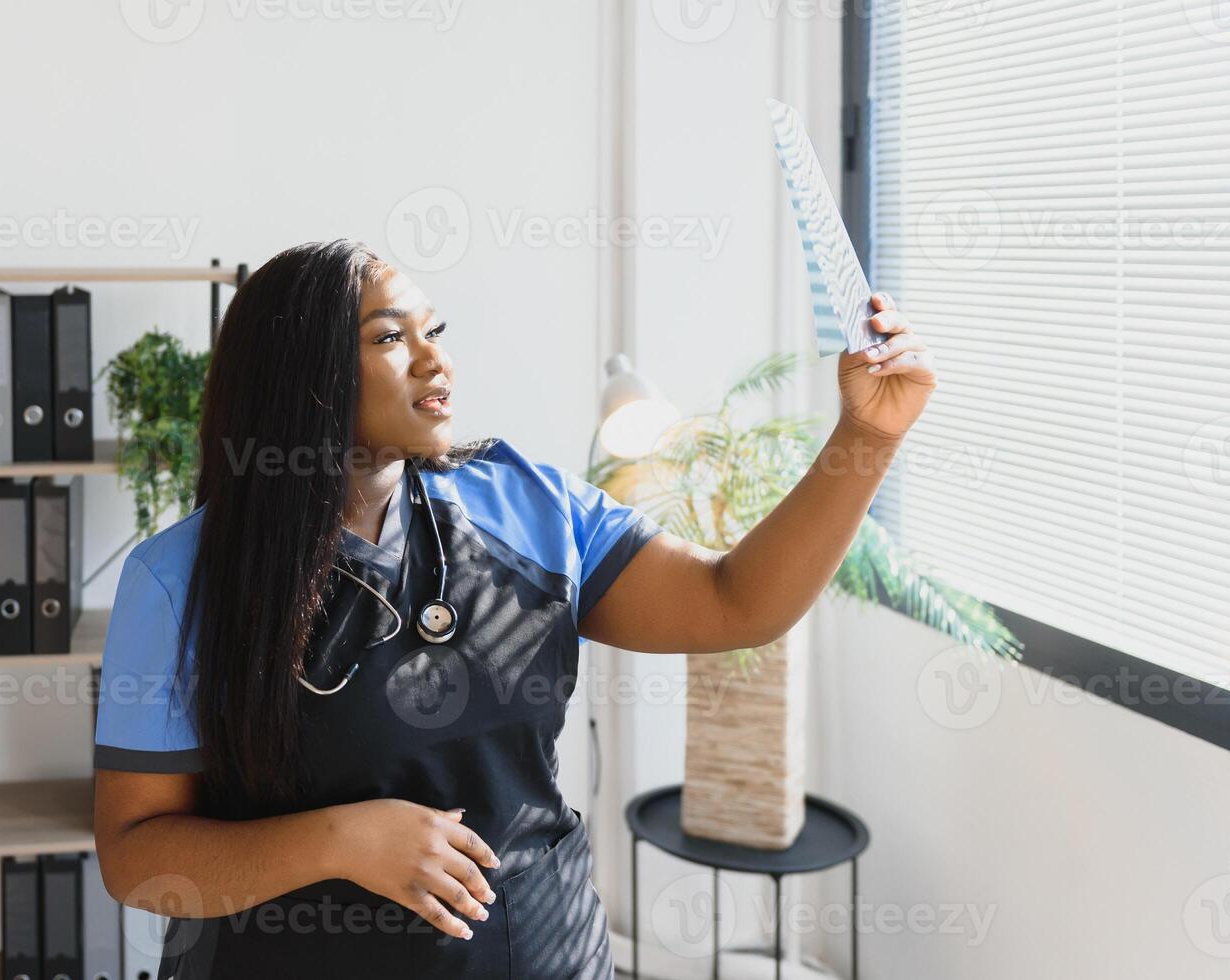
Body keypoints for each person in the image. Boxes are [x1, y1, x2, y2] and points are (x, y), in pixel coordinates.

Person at [92, 239, 935, 979]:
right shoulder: (180, 581)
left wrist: (867, 438)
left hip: (543, 952)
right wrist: (338, 841)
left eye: (436, 332)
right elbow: (138, 858)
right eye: (391, 337)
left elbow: (734, 603)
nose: (435, 361)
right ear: (302, 380)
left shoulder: (527, 502)